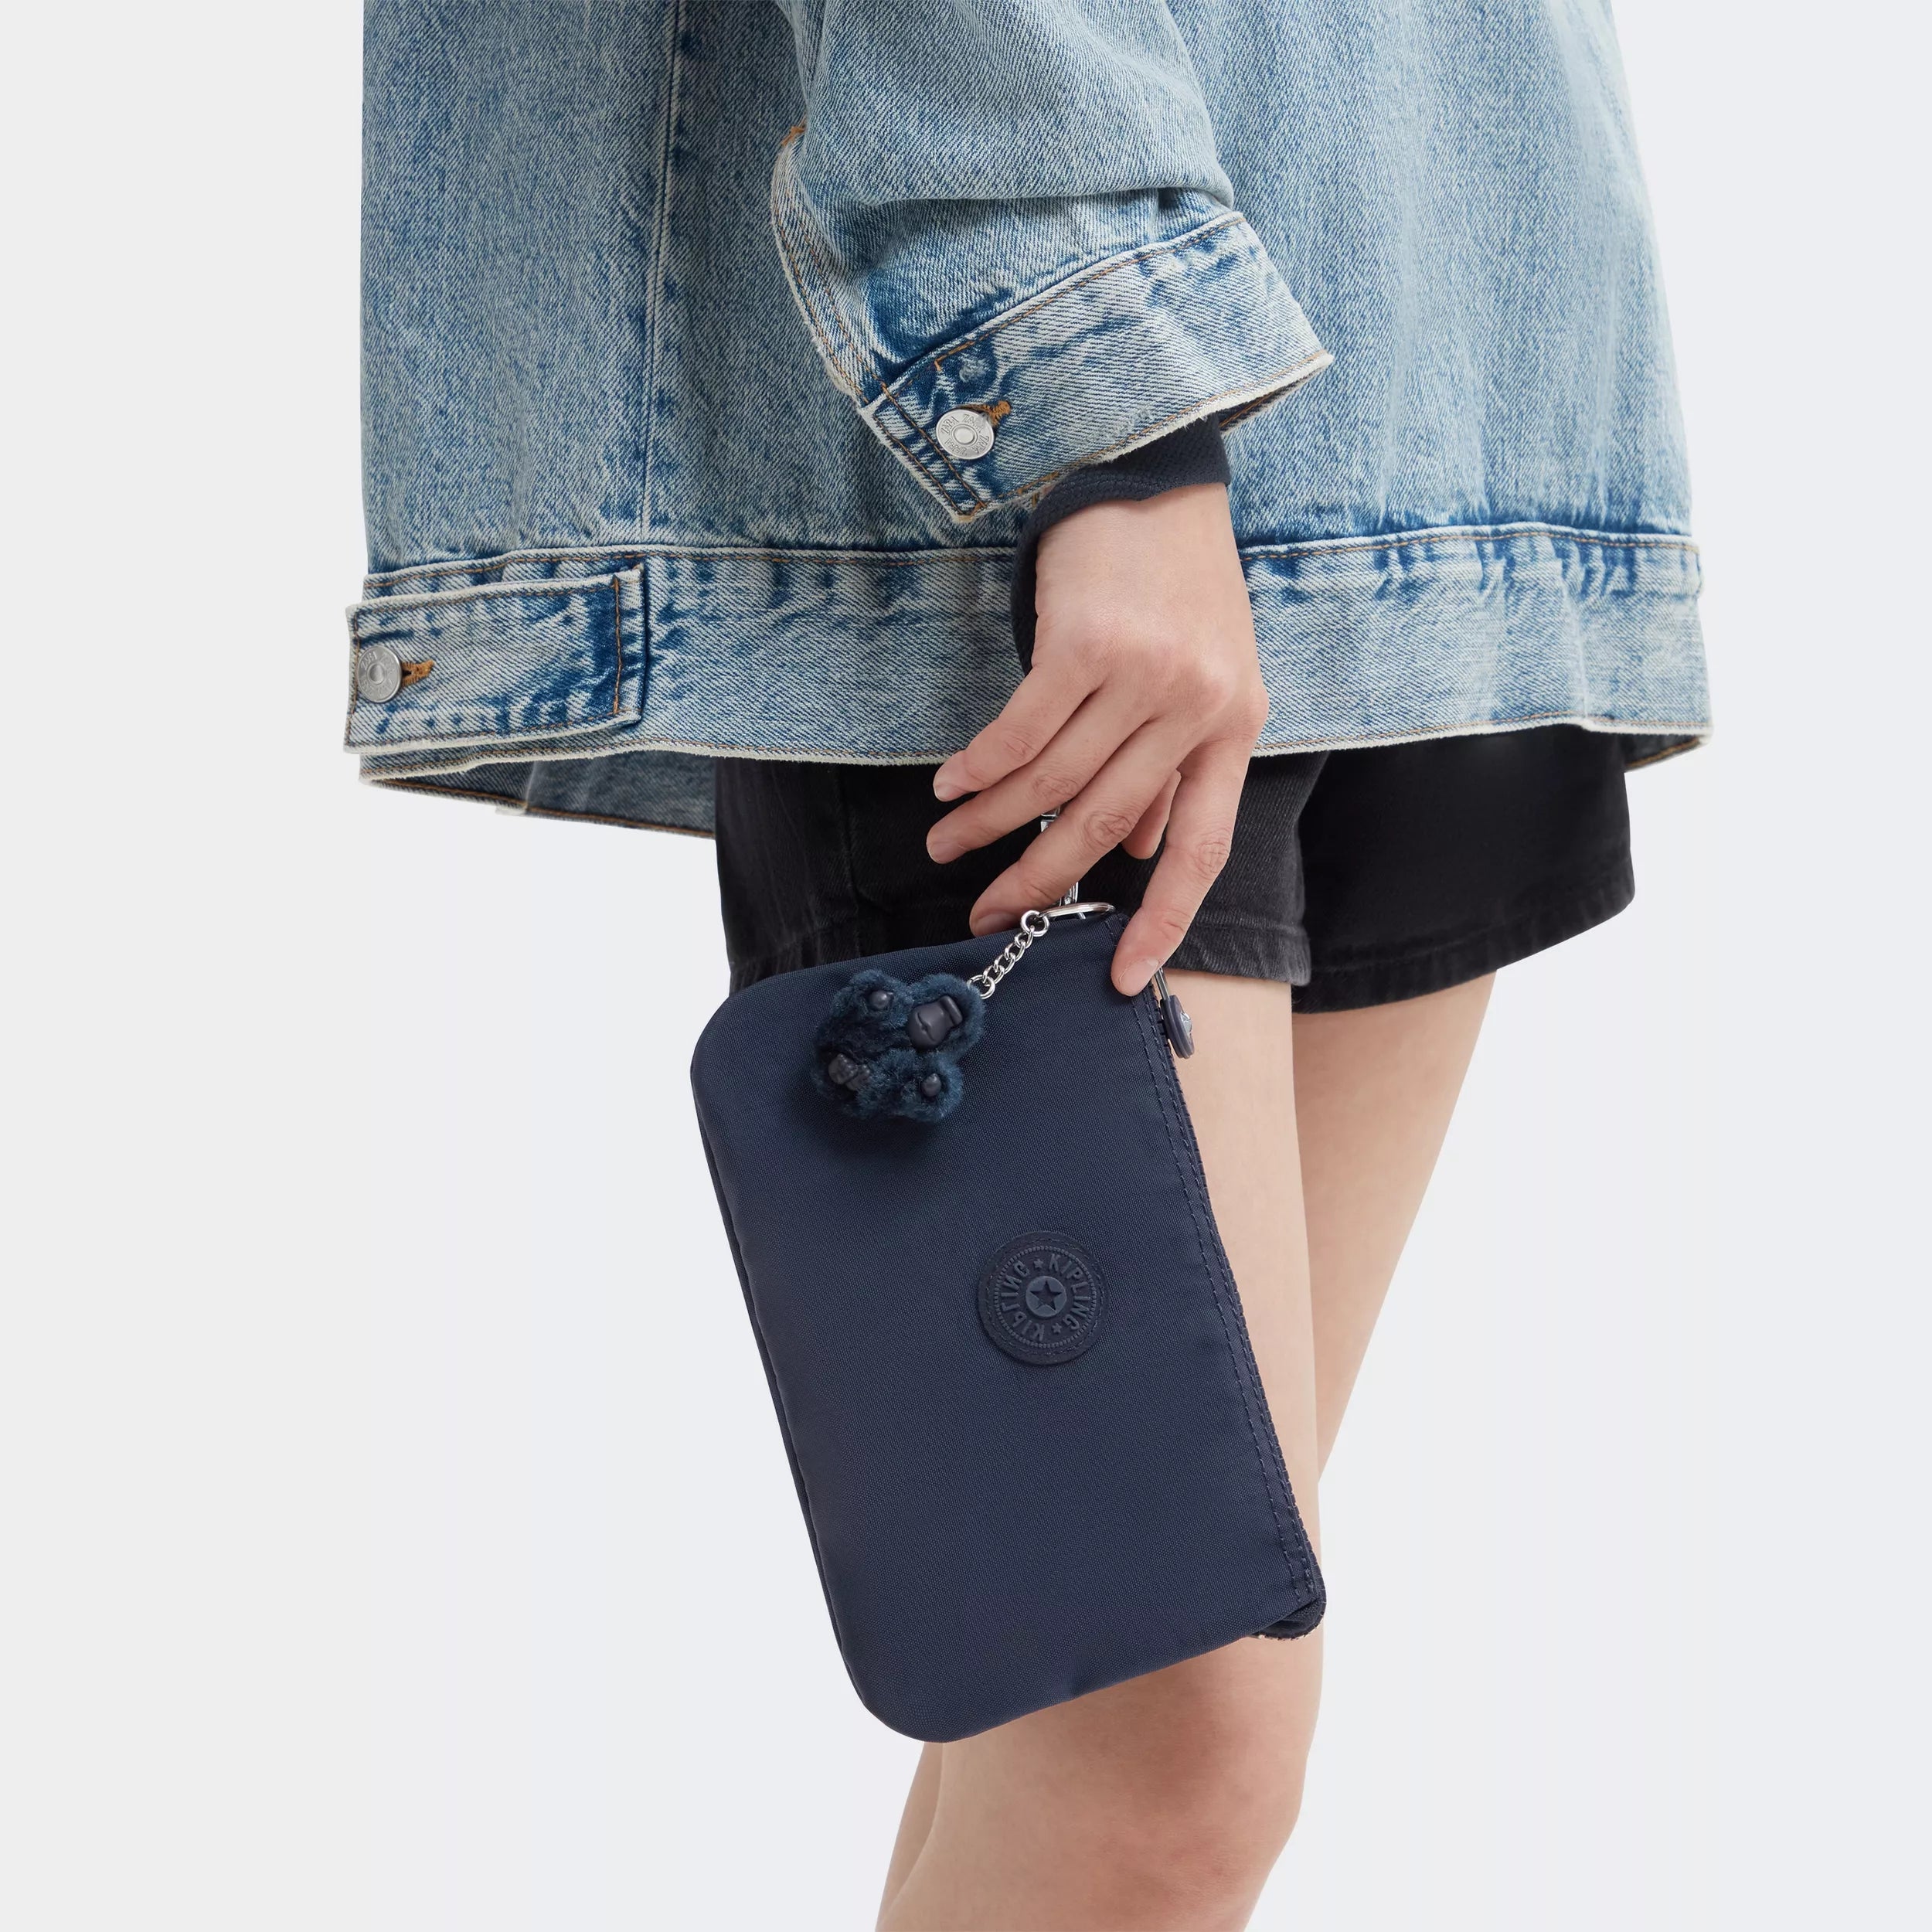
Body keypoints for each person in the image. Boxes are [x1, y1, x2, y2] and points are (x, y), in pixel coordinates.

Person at [347, 4, 1708, 1925]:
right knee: (1164, 1741)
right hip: (1021, 492)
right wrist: (1093, 400)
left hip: (1441, 395)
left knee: (1097, 1709)